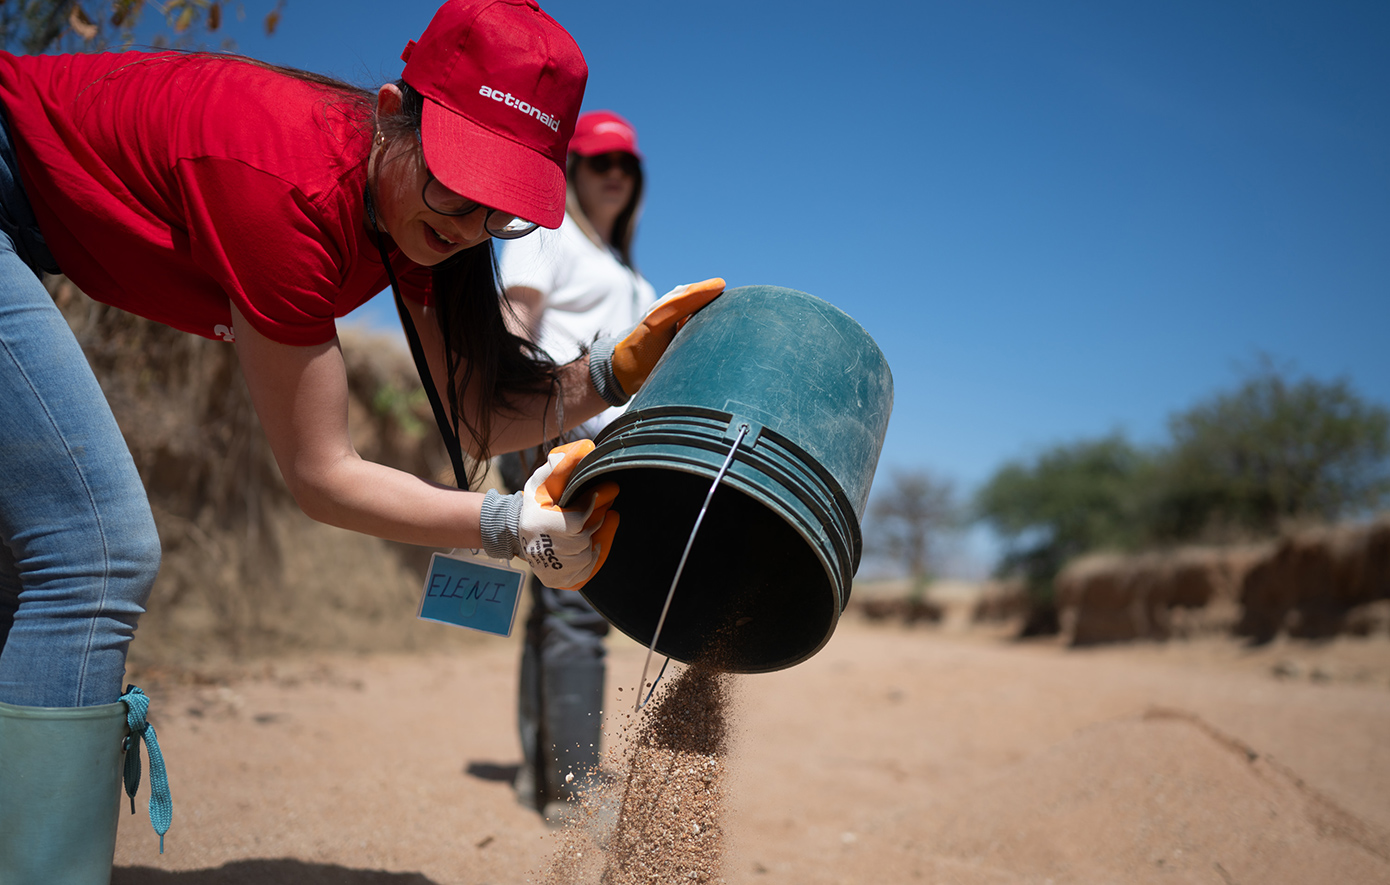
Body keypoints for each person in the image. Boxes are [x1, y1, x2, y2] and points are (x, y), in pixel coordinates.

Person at [0, 1, 723, 880]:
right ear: (390, 113)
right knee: (99, 551)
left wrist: (610, 372)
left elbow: (476, 416)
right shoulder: (289, 184)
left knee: (18, 578)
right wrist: (505, 524)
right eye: (458, 181)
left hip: (29, 235)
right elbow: (320, 474)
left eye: (500, 209)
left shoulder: (419, 225)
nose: (468, 227)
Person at [496, 109, 654, 820]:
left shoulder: (627, 272)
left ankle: (546, 774)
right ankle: (575, 788)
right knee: (579, 608)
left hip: (603, 448)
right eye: (599, 161)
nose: (614, 174)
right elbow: (516, 323)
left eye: (626, 164)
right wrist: (501, 425)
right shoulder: (545, 230)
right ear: (573, 170)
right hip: (550, 436)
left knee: (556, 609)